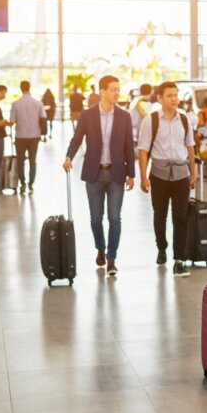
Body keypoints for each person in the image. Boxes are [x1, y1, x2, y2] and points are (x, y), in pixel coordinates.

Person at [64, 76, 136, 276]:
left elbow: (129, 146)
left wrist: (131, 174)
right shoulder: (87, 116)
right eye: (113, 89)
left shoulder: (124, 116)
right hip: (94, 174)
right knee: (96, 218)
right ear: (102, 91)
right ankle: (100, 248)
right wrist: (69, 156)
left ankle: (112, 258)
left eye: (118, 89)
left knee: (114, 218)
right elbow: (77, 139)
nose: (116, 93)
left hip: (116, 175)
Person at [137, 82, 197, 277]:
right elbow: (143, 150)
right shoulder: (151, 120)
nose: (174, 98)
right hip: (159, 175)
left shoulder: (185, 119)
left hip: (181, 174)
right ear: (160, 98)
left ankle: (179, 260)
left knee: (180, 217)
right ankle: (161, 247)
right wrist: (143, 177)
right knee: (159, 214)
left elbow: (190, 146)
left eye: (176, 94)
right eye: (169, 95)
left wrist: (193, 173)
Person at [9, 80, 46, 195]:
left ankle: (23, 184)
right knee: (32, 160)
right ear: (29, 88)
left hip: (20, 136)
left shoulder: (15, 104)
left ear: (21, 88)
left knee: (20, 161)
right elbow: (43, 118)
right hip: (34, 136)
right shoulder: (38, 103)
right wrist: (43, 134)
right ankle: (31, 184)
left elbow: (12, 121)